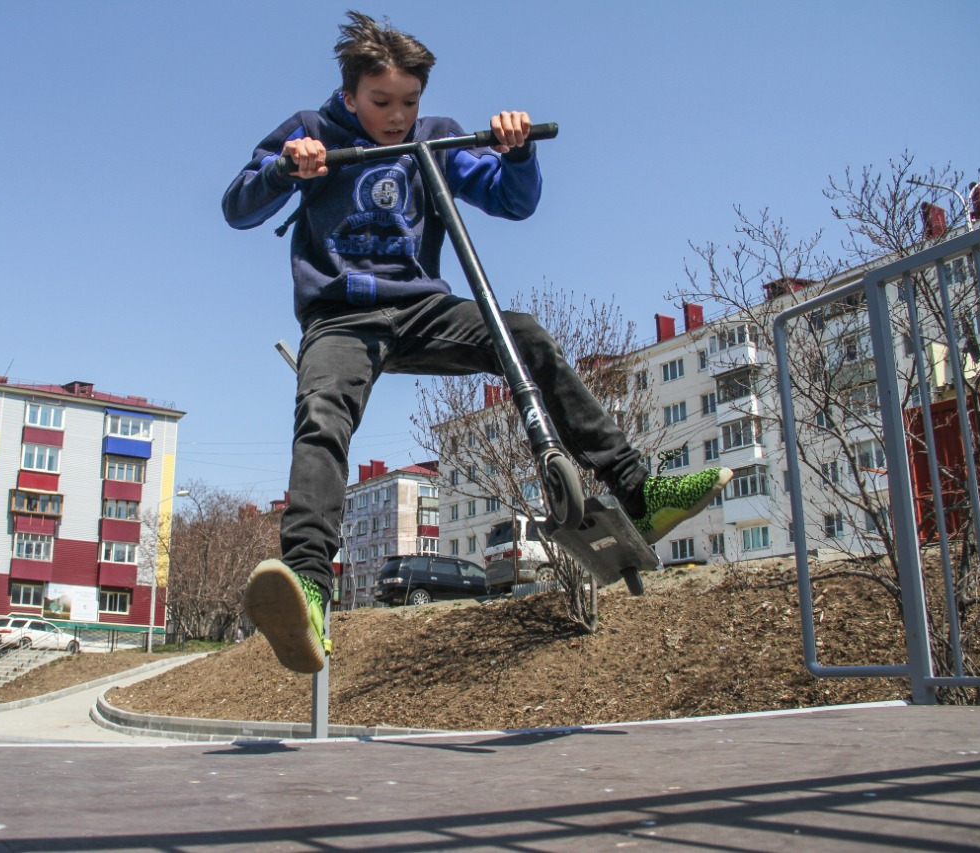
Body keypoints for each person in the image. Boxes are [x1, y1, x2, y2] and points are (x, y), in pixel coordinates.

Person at [222, 11, 731, 675]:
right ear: (350, 95)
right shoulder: (311, 132)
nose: (398, 116)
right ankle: (311, 587)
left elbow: (510, 200)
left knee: (525, 338)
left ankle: (637, 491)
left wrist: (518, 154)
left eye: (409, 102)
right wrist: (288, 169)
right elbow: (239, 204)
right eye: (381, 102)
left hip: (423, 309)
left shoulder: (434, 140)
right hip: (340, 318)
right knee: (322, 416)